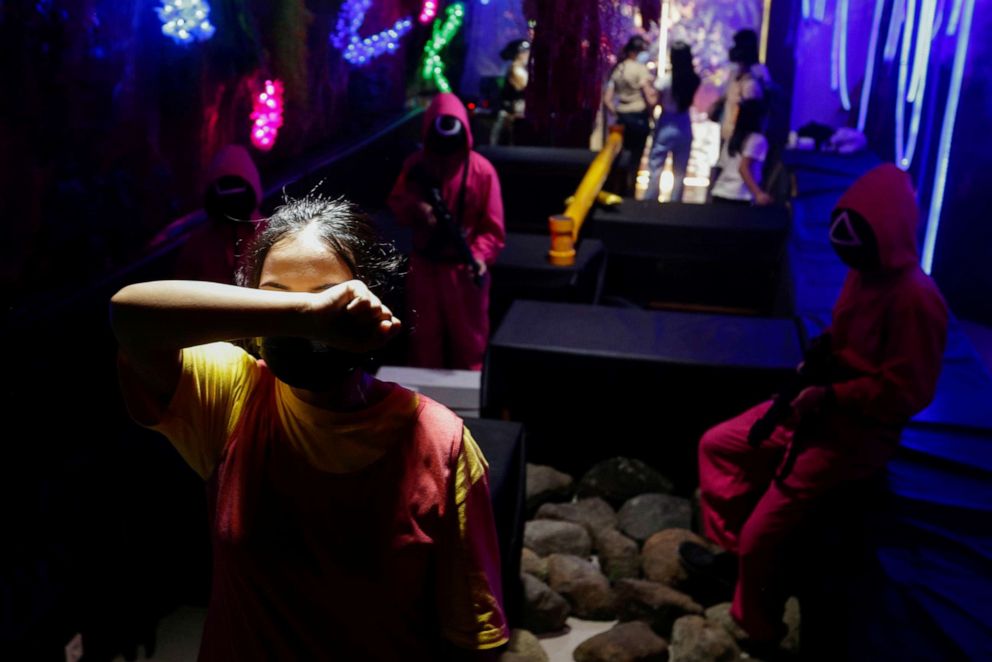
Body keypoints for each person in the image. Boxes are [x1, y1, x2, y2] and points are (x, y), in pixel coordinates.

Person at [111, 195, 509, 660]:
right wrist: (305, 315)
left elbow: (472, 638)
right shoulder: (232, 394)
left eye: (329, 300)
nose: (307, 327)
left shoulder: (439, 442)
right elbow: (130, 317)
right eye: (276, 301)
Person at [682, 164, 948, 649]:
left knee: (767, 531)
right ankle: (737, 558)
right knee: (718, 446)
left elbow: (908, 392)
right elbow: (844, 338)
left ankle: (758, 625)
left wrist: (834, 395)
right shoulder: (864, 273)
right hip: (816, 407)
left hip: (854, 434)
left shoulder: (916, 299)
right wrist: (822, 360)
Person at [388, 93, 505, 371]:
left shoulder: (482, 171)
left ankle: (469, 409)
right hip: (424, 269)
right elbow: (397, 203)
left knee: (470, 347)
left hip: (463, 273)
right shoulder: (416, 165)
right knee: (423, 347)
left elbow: (493, 228)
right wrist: (417, 209)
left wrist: (478, 256)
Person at [174, 144, 264, 284]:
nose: (232, 202)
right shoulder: (197, 245)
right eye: (225, 186)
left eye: (235, 185)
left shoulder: (273, 238)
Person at [644, 41, 700, 203]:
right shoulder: (694, 80)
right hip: (685, 123)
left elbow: (655, 102)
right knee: (680, 169)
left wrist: (647, 87)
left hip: (666, 122)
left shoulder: (666, 81)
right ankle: (675, 203)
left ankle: (650, 201)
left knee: (656, 165)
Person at [603, 36, 656, 196]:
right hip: (639, 120)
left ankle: (618, 191)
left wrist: (617, 112)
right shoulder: (640, 69)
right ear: (638, 51)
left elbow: (607, 100)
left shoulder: (618, 69)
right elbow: (649, 98)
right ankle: (630, 194)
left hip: (622, 119)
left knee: (621, 159)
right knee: (635, 160)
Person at [710, 99, 772, 206]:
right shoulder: (757, 140)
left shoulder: (732, 138)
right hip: (741, 195)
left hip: (720, 192)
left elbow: (721, 167)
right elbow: (743, 168)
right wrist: (758, 194)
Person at [719, 29, 773, 145]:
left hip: (744, 139)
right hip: (727, 134)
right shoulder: (734, 72)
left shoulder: (759, 73)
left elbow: (756, 110)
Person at [490, 39, 530, 146]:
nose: (527, 55)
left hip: (518, 115)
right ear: (518, 54)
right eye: (524, 52)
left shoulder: (524, 70)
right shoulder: (515, 70)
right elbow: (523, 87)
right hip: (510, 116)